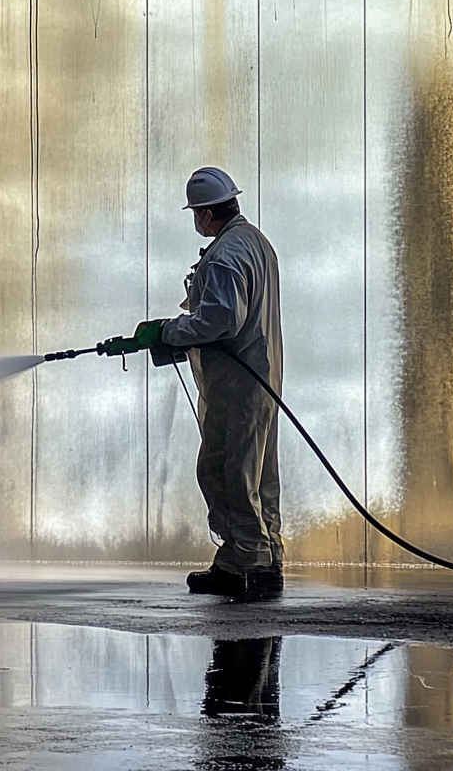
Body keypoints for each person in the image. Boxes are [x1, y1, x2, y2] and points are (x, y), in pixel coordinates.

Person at [134, 166, 284, 597]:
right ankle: (267, 556)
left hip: (237, 382)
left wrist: (168, 331)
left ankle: (244, 564)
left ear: (203, 213)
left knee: (224, 470)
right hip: (262, 375)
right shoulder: (256, 243)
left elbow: (221, 320)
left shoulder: (223, 255)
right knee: (259, 473)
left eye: (196, 214)